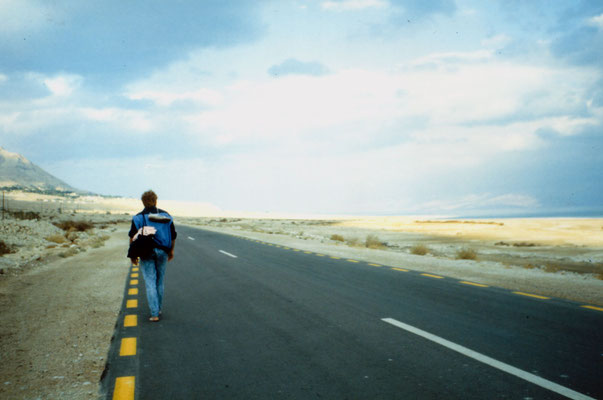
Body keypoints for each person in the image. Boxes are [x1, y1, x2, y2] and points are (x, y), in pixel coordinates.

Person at [128, 190, 177, 322]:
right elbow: (173, 236)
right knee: (159, 281)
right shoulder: (166, 216)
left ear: (143, 202)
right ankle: (159, 309)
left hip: (146, 251)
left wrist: (133, 255)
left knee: (150, 282)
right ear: (156, 200)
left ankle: (154, 314)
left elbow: (132, 237)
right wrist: (171, 251)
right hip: (162, 251)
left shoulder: (138, 218)